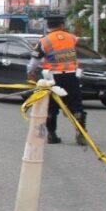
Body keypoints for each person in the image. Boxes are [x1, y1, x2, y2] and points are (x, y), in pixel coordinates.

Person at [27, 14, 86, 145]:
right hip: (71, 76)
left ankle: (52, 135)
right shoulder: (71, 38)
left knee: (51, 107)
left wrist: (30, 73)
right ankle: (81, 133)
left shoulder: (44, 41)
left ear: (47, 25)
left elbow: (34, 61)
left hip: (52, 78)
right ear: (62, 25)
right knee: (76, 105)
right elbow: (80, 42)